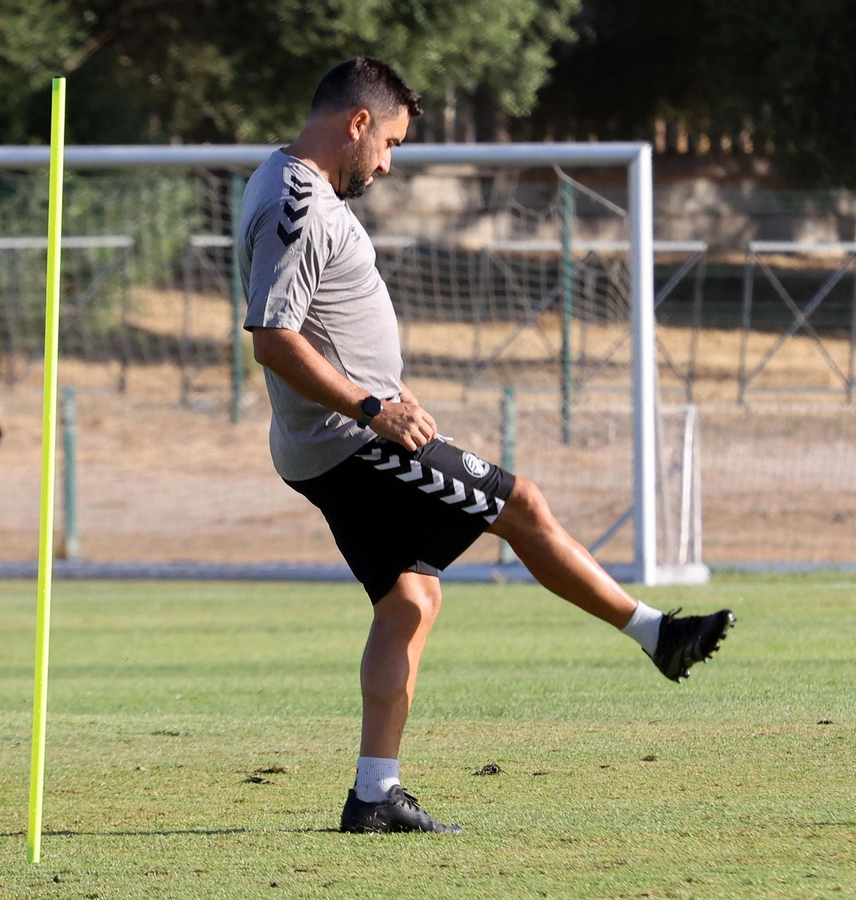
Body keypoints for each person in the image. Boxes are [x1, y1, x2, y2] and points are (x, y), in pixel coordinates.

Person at [241, 57, 735, 835]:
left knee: (411, 598)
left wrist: (381, 391)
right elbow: (273, 340)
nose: (390, 163)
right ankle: (657, 634)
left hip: (334, 440)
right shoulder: (298, 201)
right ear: (357, 123)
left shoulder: (278, 178)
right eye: (392, 143)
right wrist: (374, 407)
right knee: (523, 504)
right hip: (351, 439)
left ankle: (375, 794)